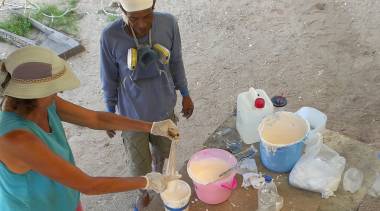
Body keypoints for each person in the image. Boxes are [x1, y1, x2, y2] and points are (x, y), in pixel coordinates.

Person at [0, 46, 180, 211]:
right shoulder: (16, 140)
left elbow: (96, 119)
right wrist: (147, 181)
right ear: (33, 94)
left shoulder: (42, 104)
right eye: (53, 88)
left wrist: (152, 127)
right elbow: (89, 185)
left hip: (65, 199)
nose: (59, 92)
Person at [100, 0, 194, 208]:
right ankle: (143, 192)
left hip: (164, 110)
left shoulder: (168, 23)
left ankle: (160, 184)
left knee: (166, 156)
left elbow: (176, 60)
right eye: (134, 19)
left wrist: (185, 93)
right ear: (123, 12)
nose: (142, 25)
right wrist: (109, 112)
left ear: (154, 7)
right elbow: (108, 78)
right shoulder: (110, 36)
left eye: (147, 16)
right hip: (131, 117)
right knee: (138, 166)